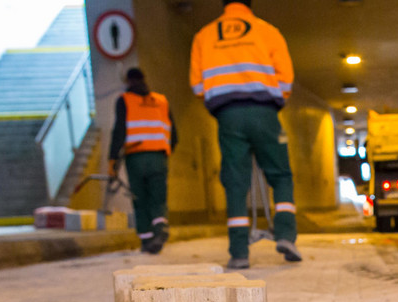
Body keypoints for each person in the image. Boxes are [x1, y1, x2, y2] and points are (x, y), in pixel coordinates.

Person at [190, 0, 301, 268]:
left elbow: (197, 85)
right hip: (265, 112)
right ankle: (285, 235)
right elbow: (286, 79)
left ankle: (239, 252)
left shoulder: (204, 36)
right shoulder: (268, 31)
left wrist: (222, 105)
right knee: (280, 174)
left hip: (228, 116)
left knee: (236, 182)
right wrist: (274, 99)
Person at [108, 68, 177, 254]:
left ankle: (147, 241)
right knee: (158, 197)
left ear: (128, 81)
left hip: (136, 157)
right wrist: (165, 153)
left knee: (140, 198)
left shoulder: (125, 100)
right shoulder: (161, 101)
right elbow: (174, 135)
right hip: (158, 157)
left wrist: (112, 159)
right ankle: (160, 228)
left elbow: (119, 131)